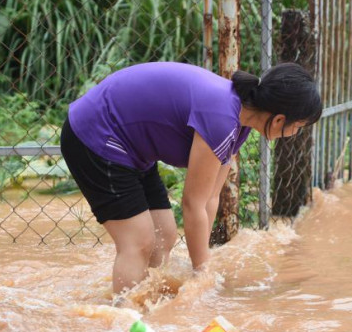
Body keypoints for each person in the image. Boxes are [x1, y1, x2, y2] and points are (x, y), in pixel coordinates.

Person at [60, 61, 322, 294]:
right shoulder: (221, 117)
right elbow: (192, 204)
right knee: (139, 241)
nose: (294, 135)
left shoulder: (239, 123)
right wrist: (202, 274)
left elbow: (211, 198)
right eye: (297, 127)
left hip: (131, 147)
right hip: (97, 135)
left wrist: (202, 268)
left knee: (165, 237)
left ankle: (152, 311)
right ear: (278, 119)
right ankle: (122, 323)